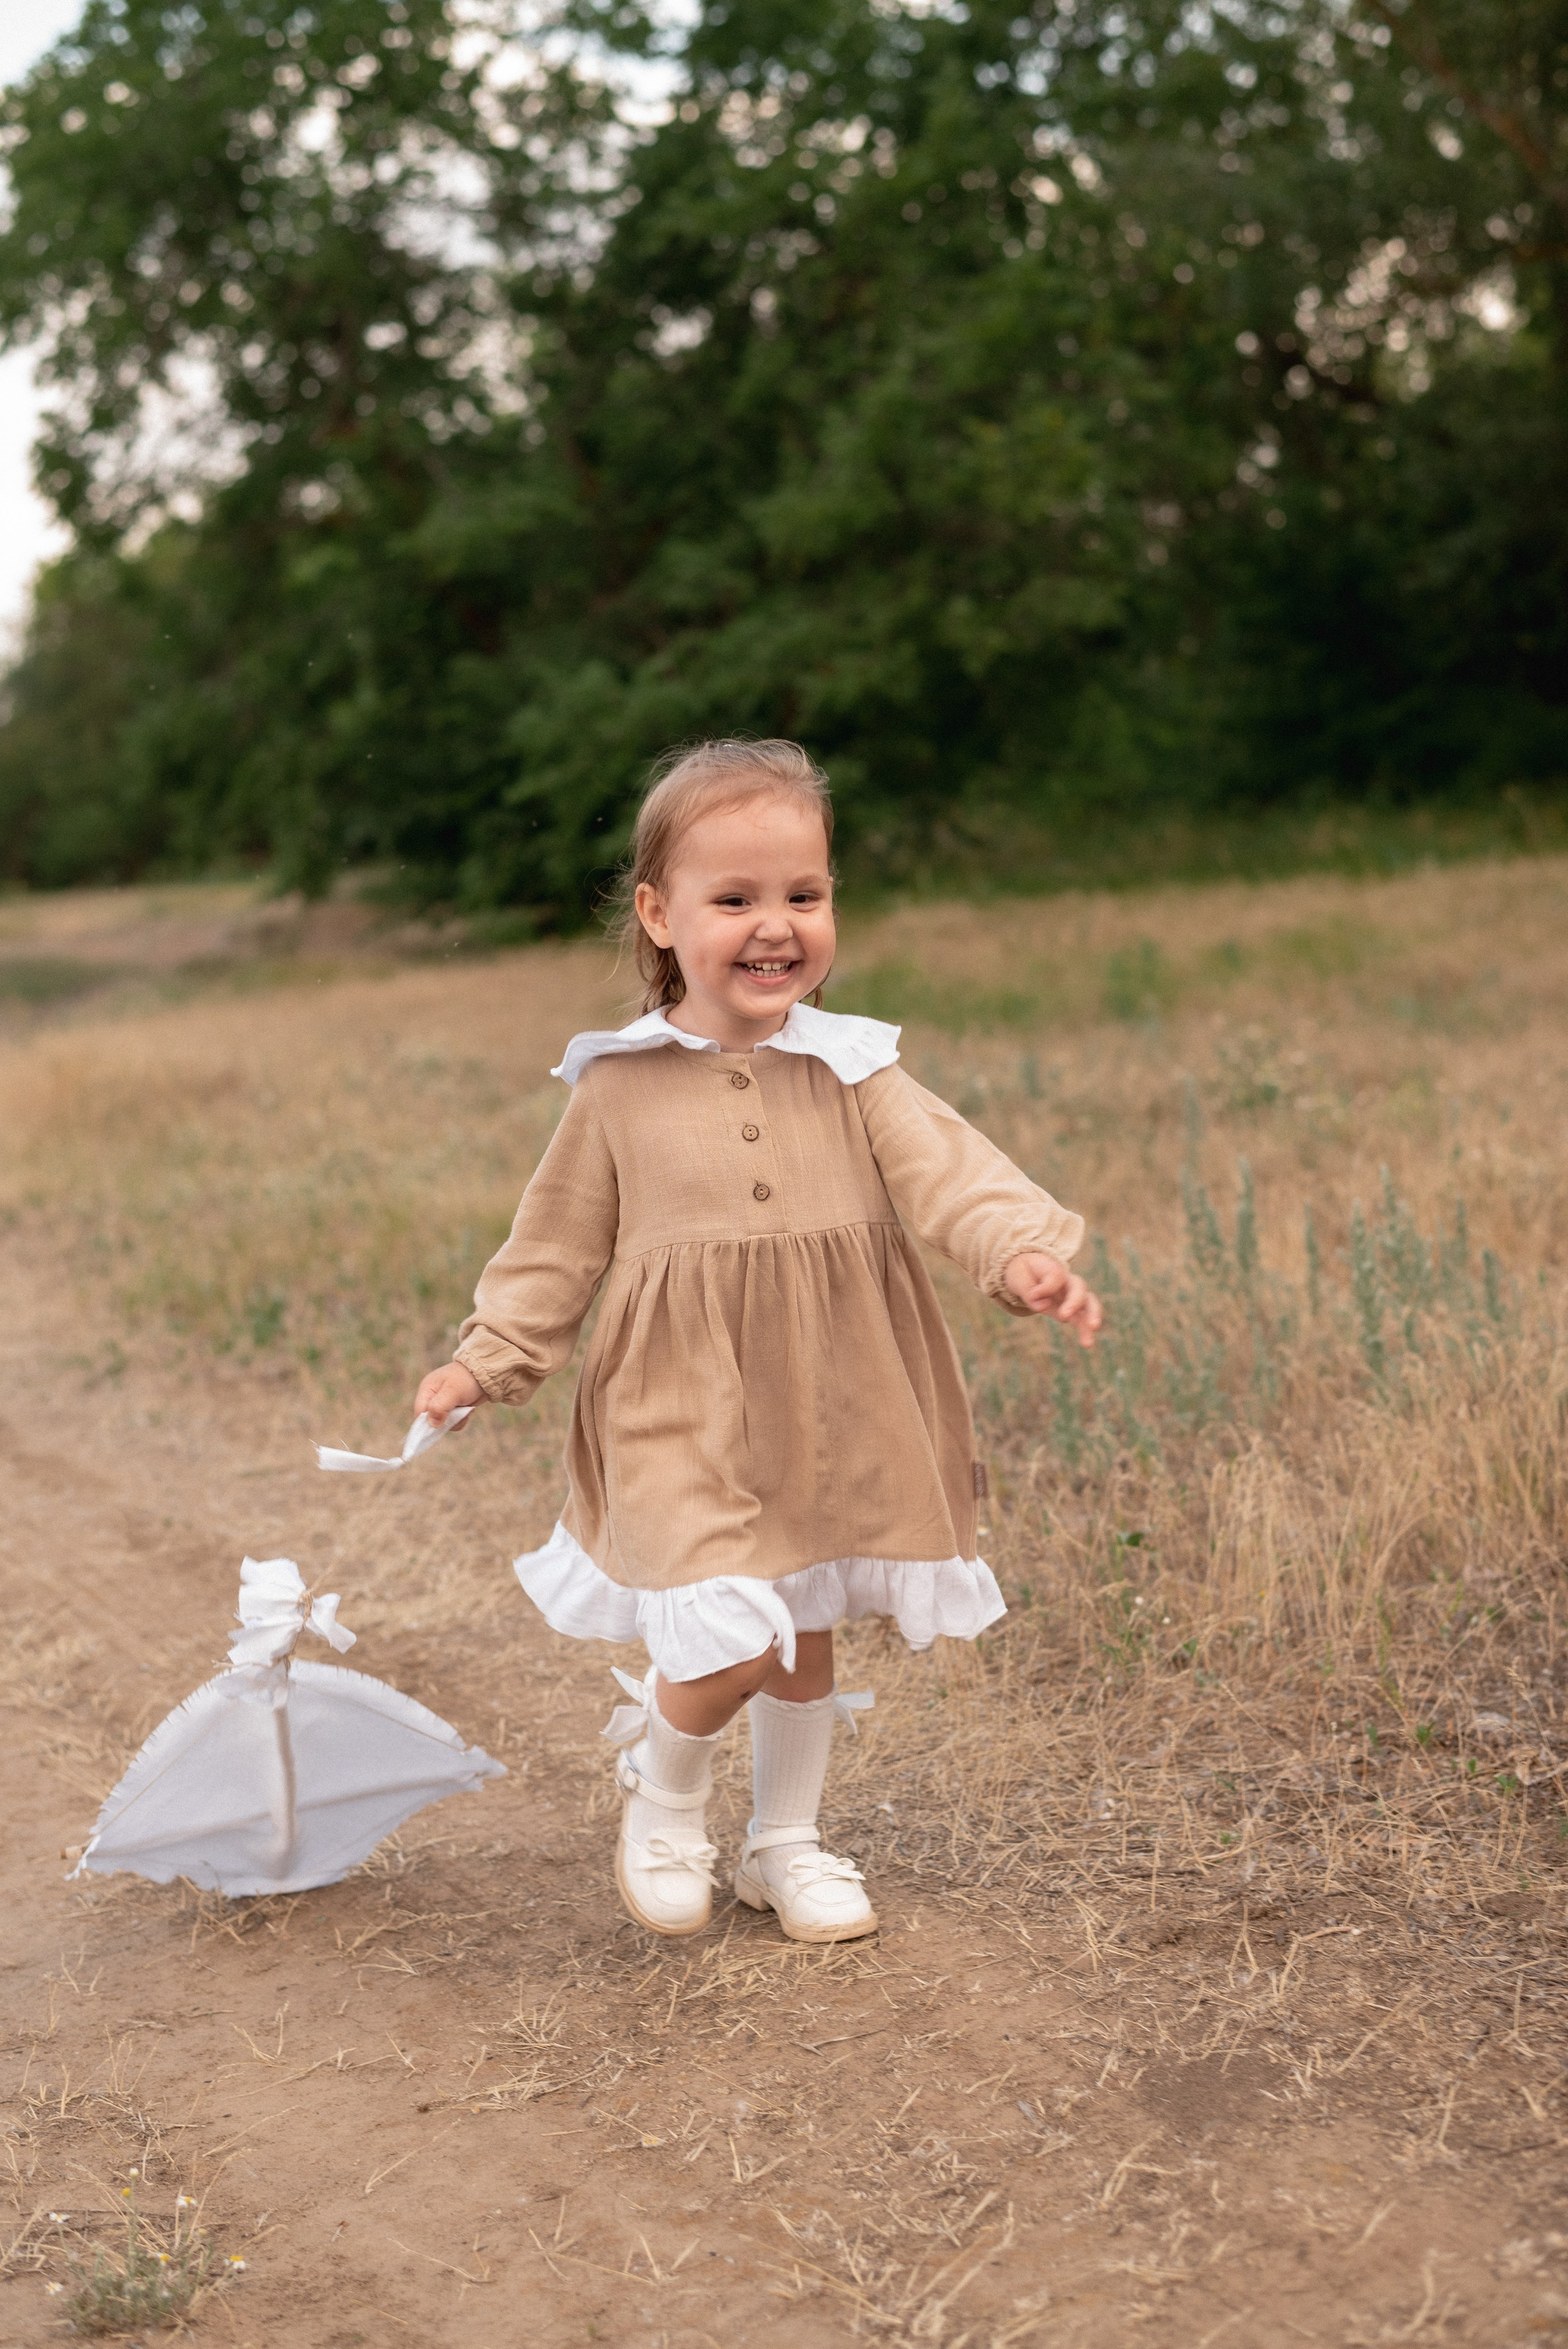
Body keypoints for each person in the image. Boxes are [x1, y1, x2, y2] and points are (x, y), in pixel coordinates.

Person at [415, 739, 1101, 1944]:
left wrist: (1016, 1254)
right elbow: (555, 1246)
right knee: (730, 1623)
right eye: (733, 898)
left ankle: (783, 1842)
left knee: (804, 1612)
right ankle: (666, 1796)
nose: (774, 924)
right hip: (672, 1397)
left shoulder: (852, 1066)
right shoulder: (617, 1088)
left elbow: (952, 1176)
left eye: (804, 894)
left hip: (831, 1386)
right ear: (659, 914)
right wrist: (488, 1357)